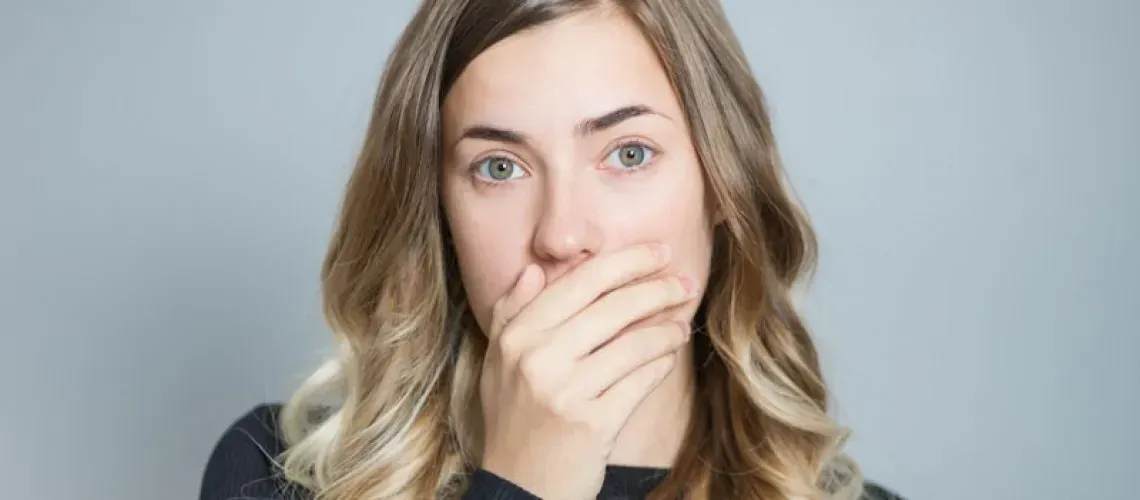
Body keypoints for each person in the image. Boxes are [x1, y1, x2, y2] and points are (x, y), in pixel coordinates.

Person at [201, 1, 906, 499]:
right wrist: (521, 485)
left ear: (722, 187)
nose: (563, 237)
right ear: (439, 212)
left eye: (628, 153)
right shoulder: (276, 476)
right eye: (500, 167)